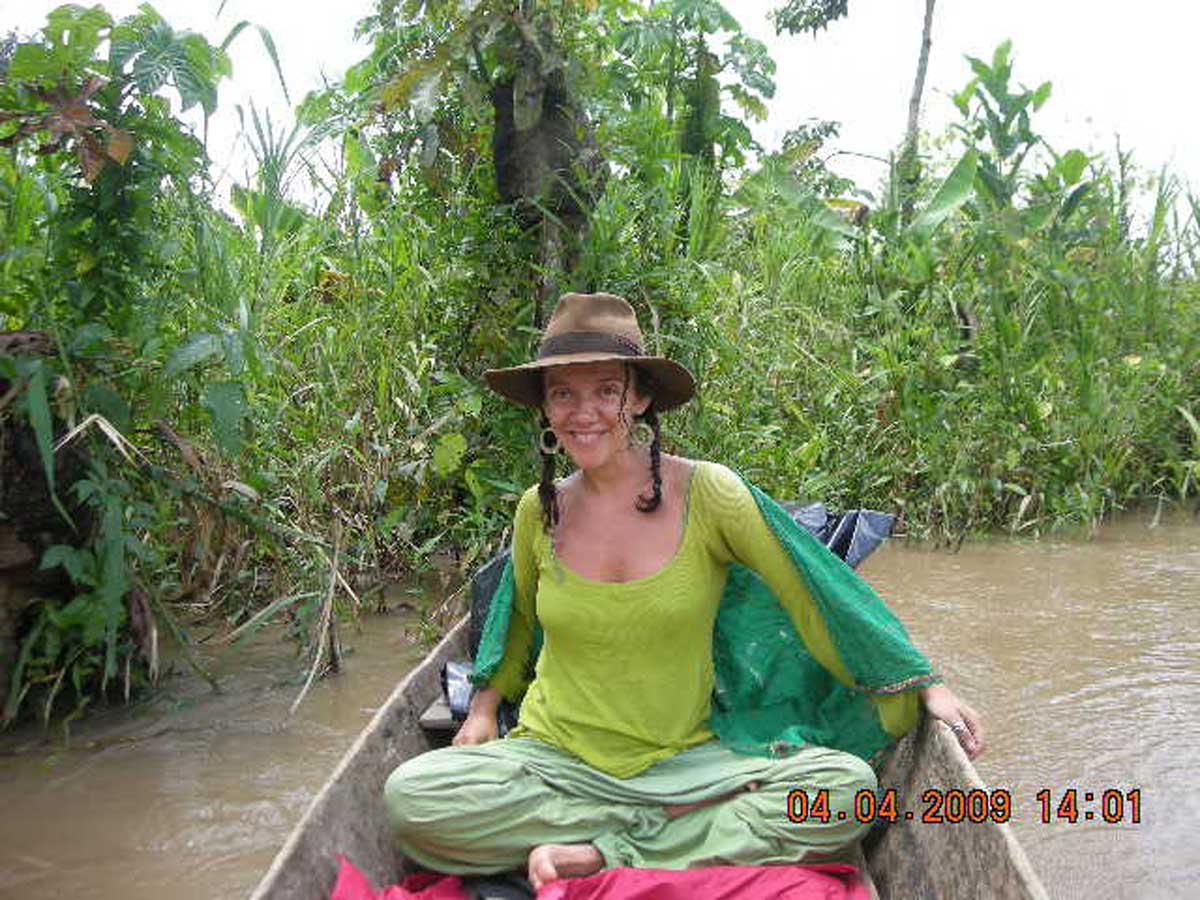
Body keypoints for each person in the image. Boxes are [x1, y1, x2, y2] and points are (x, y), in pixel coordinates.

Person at [384, 292, 984, 891]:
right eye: (562, 393)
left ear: (640, 398)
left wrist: (921, 681)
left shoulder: (710, 494)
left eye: (605, 391)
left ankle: (605, 852)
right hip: (556, 760)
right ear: (545, 407)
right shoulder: (538, 511)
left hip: (686, 762)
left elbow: (814, 587)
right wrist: (484, 711)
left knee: (846, 793)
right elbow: (513, 624)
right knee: (410, 799)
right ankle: (671, 837)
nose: (583, 412)